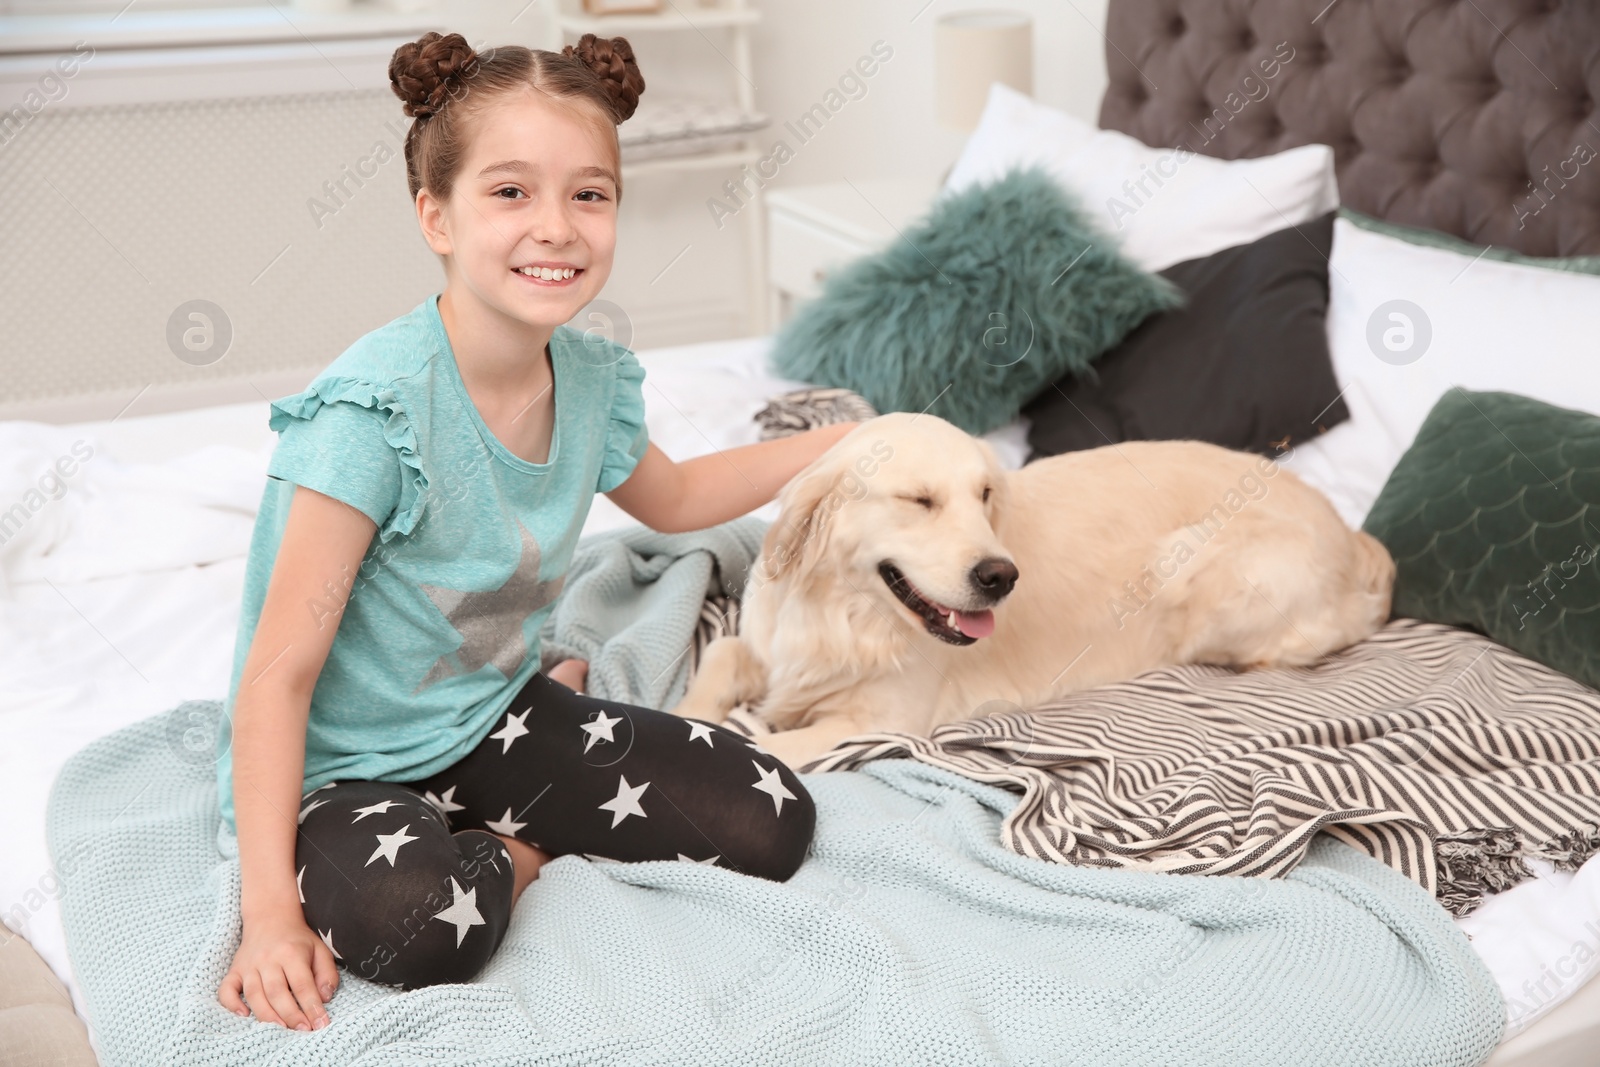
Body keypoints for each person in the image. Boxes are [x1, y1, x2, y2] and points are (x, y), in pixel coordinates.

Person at [213, 30, 856, 1033]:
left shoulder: (592, 381)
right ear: (435, 214)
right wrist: (265, 916)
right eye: (510, 192)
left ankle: (513, 779)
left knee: (774, 816)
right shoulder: (371, 417)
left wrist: (847, 444)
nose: (554, 227)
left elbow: (677, 498)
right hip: (347, 768)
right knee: (414, 927)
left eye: (589, 194)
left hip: (489, 718)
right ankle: (520, 847)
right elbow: (276, 676)